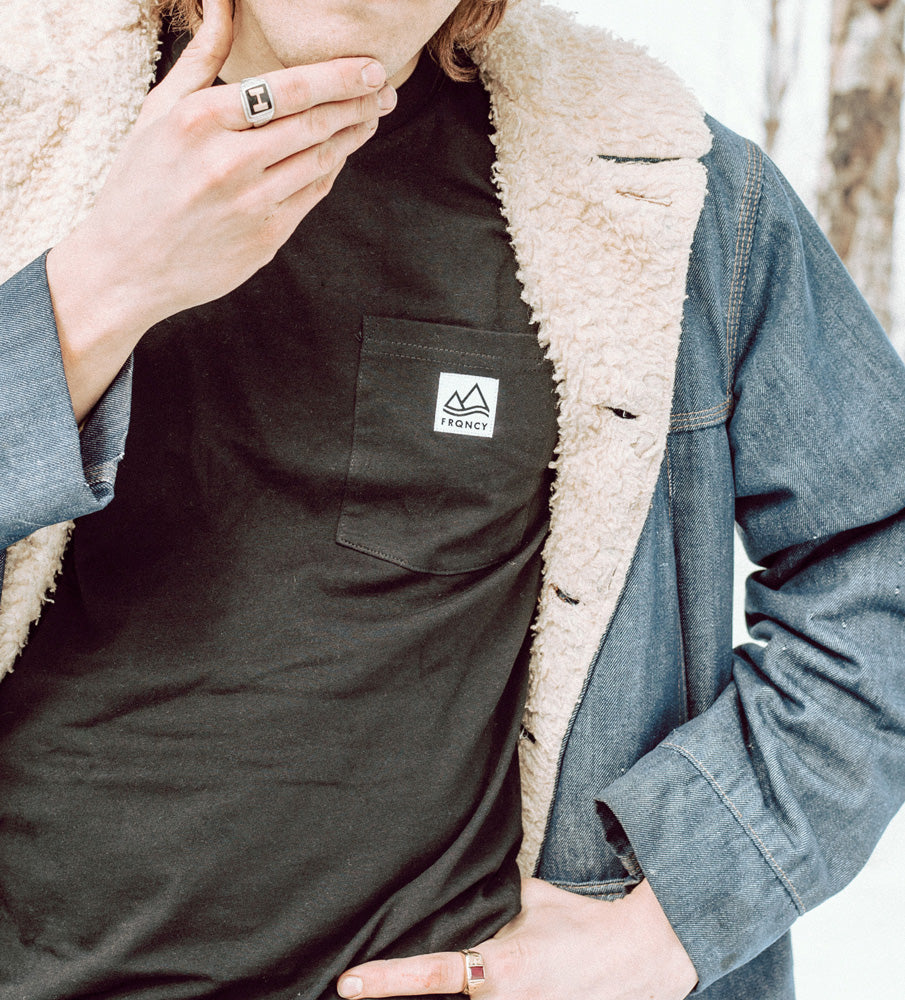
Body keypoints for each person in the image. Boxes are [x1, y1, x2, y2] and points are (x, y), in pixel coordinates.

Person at [1, 0, 904, 998]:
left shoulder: (658, 188)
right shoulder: (21, 119)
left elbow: (880, 555)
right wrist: (93, 290)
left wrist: (663, 925)